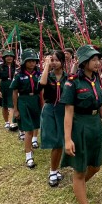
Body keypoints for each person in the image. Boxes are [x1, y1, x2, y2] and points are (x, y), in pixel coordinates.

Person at [60, 45, 102, 204]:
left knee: (96, 166)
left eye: (98, 59)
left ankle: (79, 186)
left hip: (95, 127)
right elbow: (68, 112)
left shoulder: (97, 80)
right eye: (93, 59)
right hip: (80, 126)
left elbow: (100, 105)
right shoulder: (72, 82)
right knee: (80, 170)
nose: (98, 62)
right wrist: (67, 139)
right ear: (84, 62)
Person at [39, 50, 67, 187]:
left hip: (63, 110)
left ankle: (54, 170)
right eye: (52, 60)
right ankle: (53, 171)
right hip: (50, 110)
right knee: (56, 142)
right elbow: (42, 84)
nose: (54, 63)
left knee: (60, 141)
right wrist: (46, 66)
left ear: (62, 61)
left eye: (57, 60)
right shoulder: (47, 76)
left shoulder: (68, 77)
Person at [10, 49, 42, 168]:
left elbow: (42, 89)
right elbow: (14, 92)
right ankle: (28, 155)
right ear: (24, 62)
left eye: (34, 61)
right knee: (28, 129)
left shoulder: (39, 73)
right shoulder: (19, 74)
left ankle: (35, 139)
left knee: (35, 124)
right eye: (29, 61)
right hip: (23, 101)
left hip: (36, 100)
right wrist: (16, 109)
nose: (32, 63)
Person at [0, 49, 17, 130]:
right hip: (4, 87)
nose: (9, 58)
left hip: (13, 87)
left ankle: (11, 122)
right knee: (4, 105)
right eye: (7, 56)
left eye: (11, 56)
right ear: (4, 57)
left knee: (12, 105)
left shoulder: (17, 66)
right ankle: (7, 122)